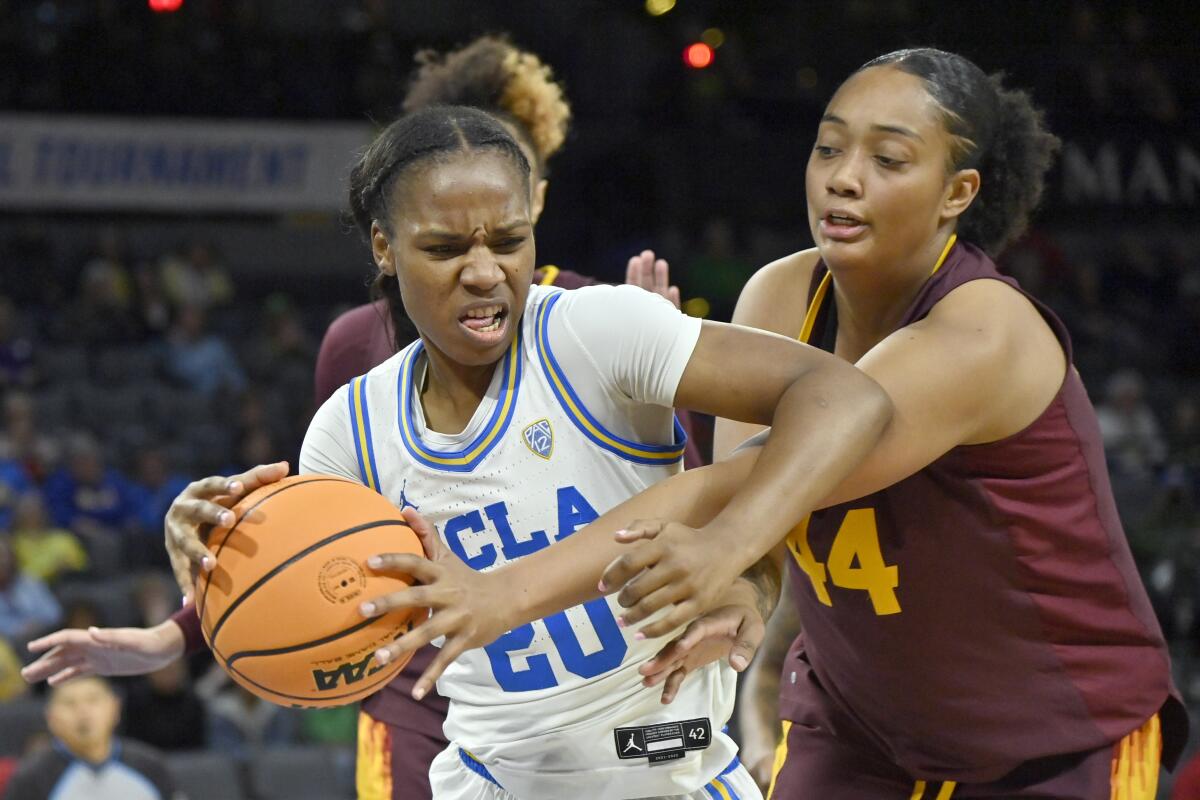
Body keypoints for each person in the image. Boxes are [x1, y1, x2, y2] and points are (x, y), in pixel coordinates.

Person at [169, 105, 889, 800]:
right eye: (446, 248)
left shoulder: (596, 332)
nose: (484, 272)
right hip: (495, 780)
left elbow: (844, 401)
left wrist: (741, 556)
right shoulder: (350, 429)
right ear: (384, 248)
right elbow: (327, 634)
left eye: (507, 241)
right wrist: (222, 562)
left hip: (673, 772)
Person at [664, 47, 1178, 798]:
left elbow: (756, 481)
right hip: (861, 731)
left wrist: (510, 595)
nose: (843, 176)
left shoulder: (983, 333)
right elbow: (758, 531)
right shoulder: (778, 296)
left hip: (1054, 741)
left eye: (889, 158)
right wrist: (747, 587)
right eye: (830, 147)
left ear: (957, 192)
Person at [2, 676, 182, 800]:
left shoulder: (150, 766)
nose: (83, 712)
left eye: (93, 700)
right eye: (69, 703)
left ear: (115, 708)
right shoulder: (31, 778)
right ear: (51, 718)